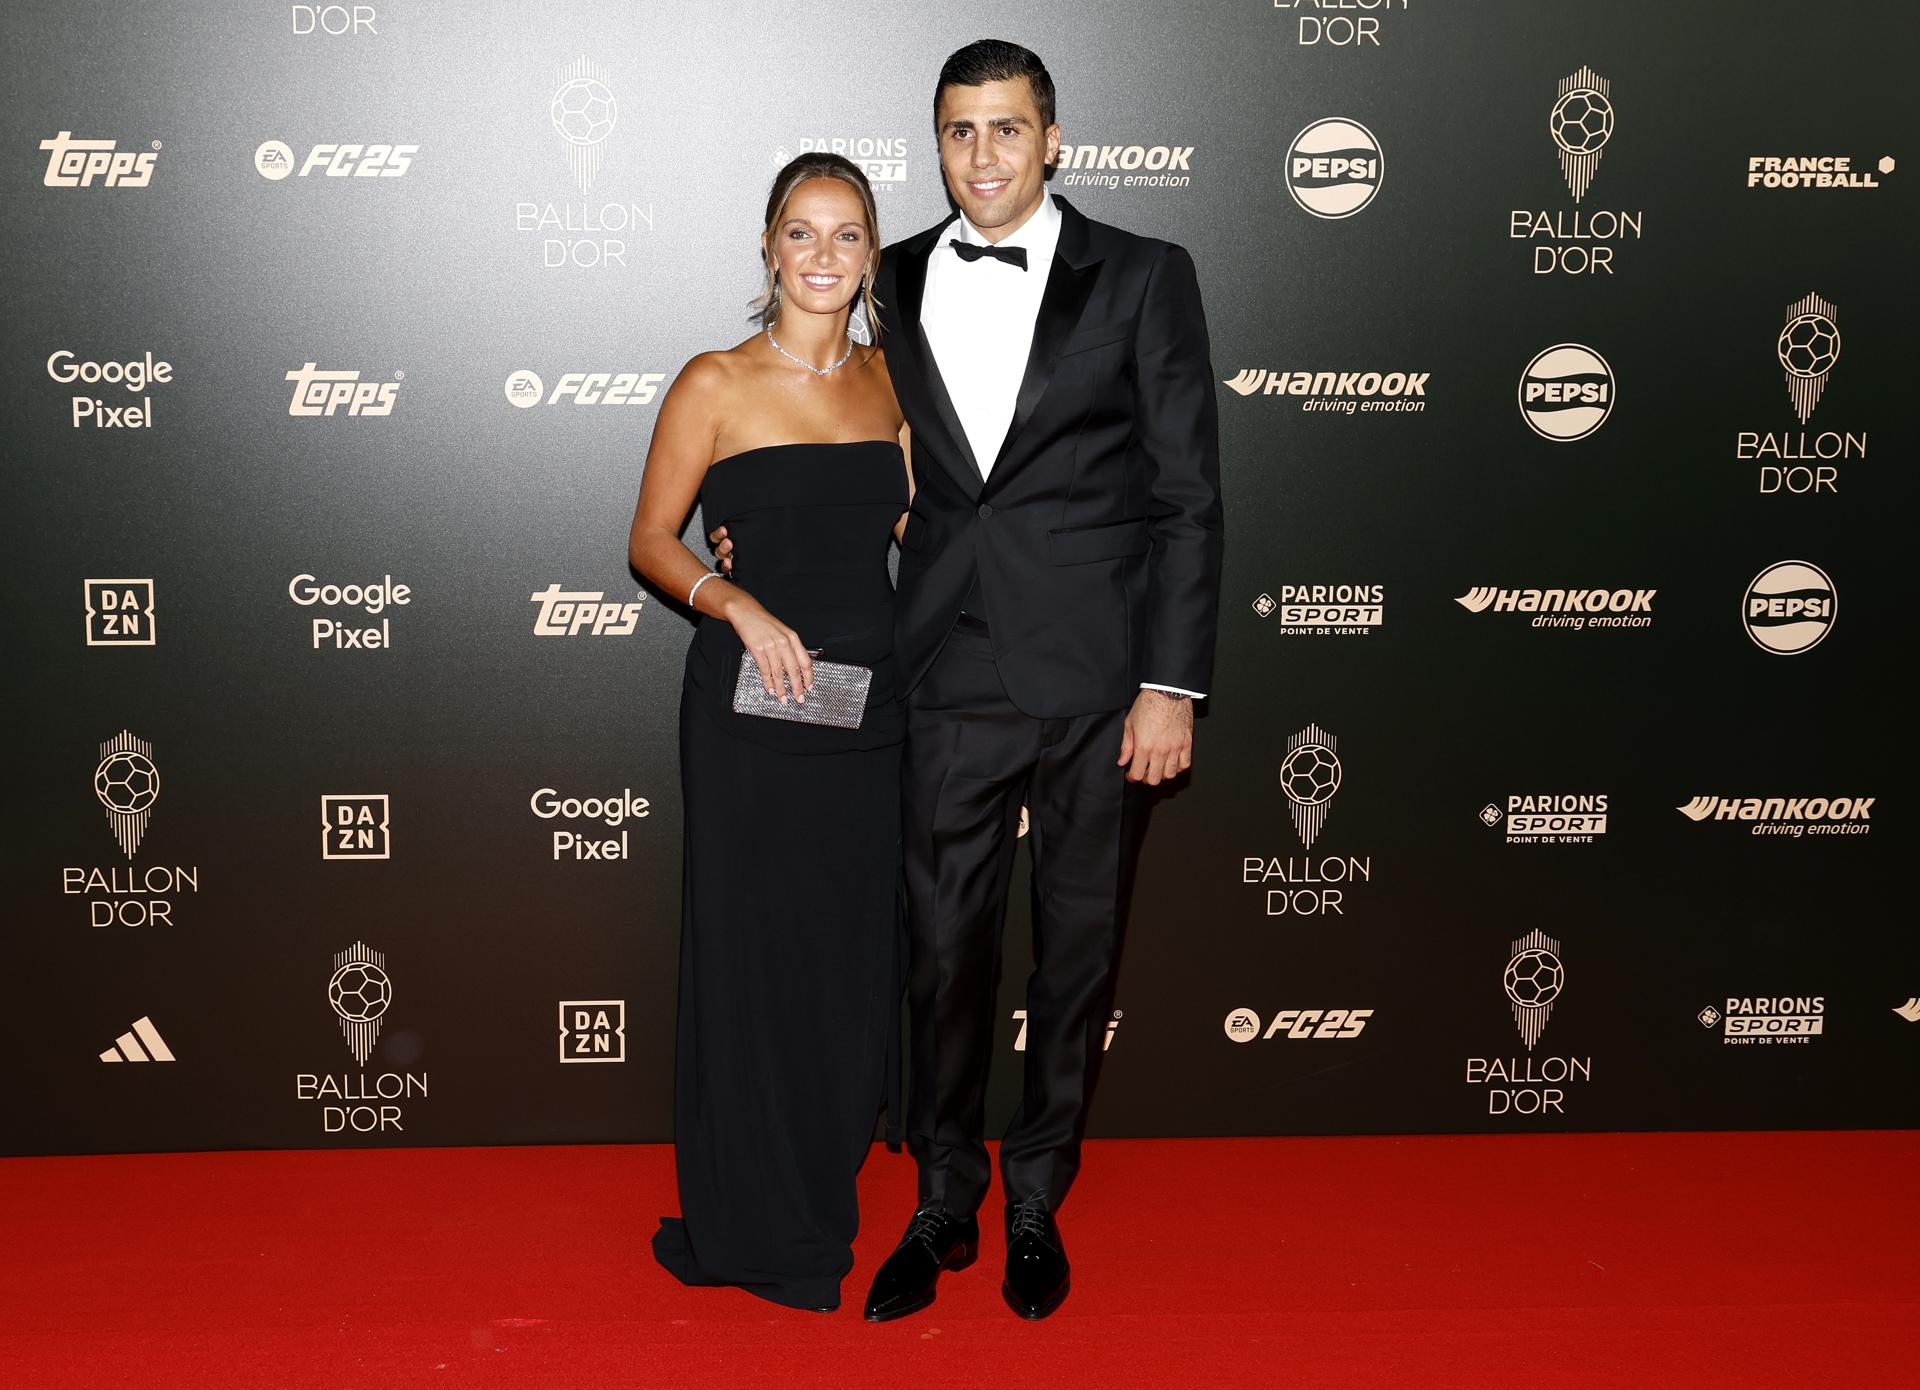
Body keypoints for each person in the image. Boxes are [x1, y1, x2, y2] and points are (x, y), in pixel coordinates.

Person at [714, 40, 1222, 1321]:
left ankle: (1039, 1187)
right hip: (940, 663)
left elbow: (1187, 499)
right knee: (942, 953)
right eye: (958, 133)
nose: (981, 157)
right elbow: (817, 419)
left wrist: (1174, 684)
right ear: (934, 144)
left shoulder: (1147, 277)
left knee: (1078, 947)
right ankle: (946, 1191)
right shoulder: (884, 277)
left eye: (1006, 131)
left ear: (1052, 140)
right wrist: (751, 540)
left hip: (1103, 673)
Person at [626, 152, 910, 1313]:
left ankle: (823, 1158)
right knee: (752, 956)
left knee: (847, 959)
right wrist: (734, 601)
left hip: (871, 716)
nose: (824, 256)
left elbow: (931, 531)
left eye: (848, 235)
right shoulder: (715, 382)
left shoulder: (897, 386)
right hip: (745, 718)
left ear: (872, 254)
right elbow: (652, 540)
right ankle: (757, 1212)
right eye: (803, 233)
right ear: (767, 246)